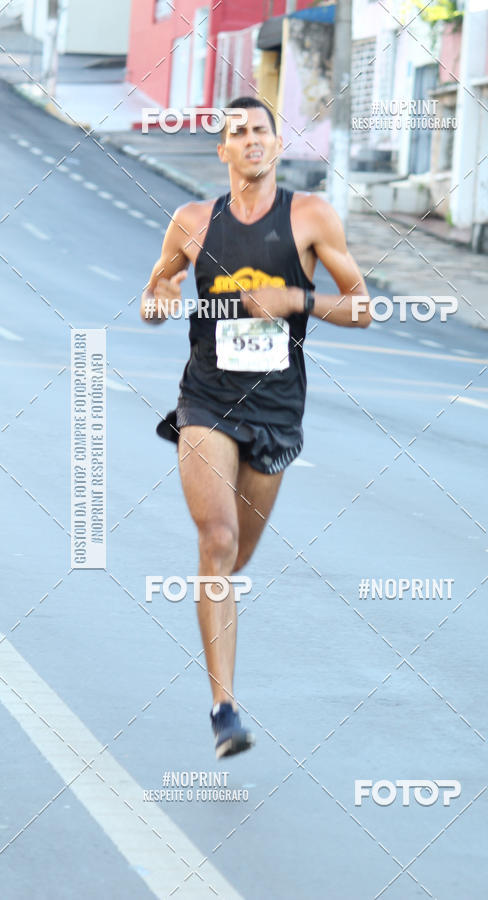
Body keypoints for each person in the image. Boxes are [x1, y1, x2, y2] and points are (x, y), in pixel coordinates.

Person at [140, 96, 370, 758]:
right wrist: (158, 301)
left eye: (259, 130)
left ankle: (216, 612)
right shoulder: (191, 220)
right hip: (206, 399)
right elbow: (156, 290)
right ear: (223, 151)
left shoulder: (310, 217)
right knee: (217, 541)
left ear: (276, 143)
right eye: (236, 132)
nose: (249, 140)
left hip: (276, 408)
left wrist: (298, 298)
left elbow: (364, 309)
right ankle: (224, 710)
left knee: (236, 559)